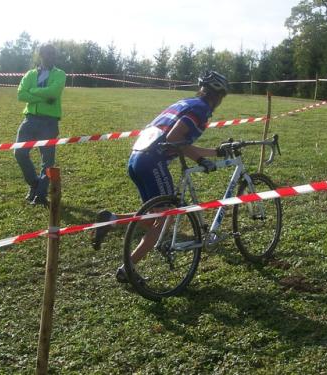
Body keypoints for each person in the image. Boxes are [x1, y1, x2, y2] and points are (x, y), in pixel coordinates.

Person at [91, 71, 229, 283]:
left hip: (138, 158)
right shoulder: (201, 110)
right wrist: (201, 160)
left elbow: (178, 140)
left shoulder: (186, 102)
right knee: (165, 219)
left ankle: (111, 220)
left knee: (155, 218)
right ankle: (127, 268)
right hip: (153, 161)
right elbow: (174, 139)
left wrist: (212, 153)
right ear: (218, 97)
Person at [15, 44, 66, 207]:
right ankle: (35, 184)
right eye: (48, 54)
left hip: (49, 121)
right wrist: (42, 97)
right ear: (41, 55)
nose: (52, 57)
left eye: (54, 54)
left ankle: (41, 194)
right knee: (19, 153)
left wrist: (33, 92)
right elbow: (21, 94)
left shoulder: (60, 74)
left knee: (47, 161)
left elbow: (54, 92)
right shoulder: (30, 74)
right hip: (29, 119)